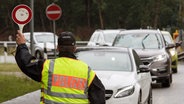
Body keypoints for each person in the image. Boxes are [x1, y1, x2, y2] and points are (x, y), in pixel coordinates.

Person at [15, 30, 106, 104]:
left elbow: (26, 63)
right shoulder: (86, 71)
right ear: (74, 48)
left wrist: (22, 45)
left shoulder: (47, 66)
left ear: (57, 48)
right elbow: (99, 97)